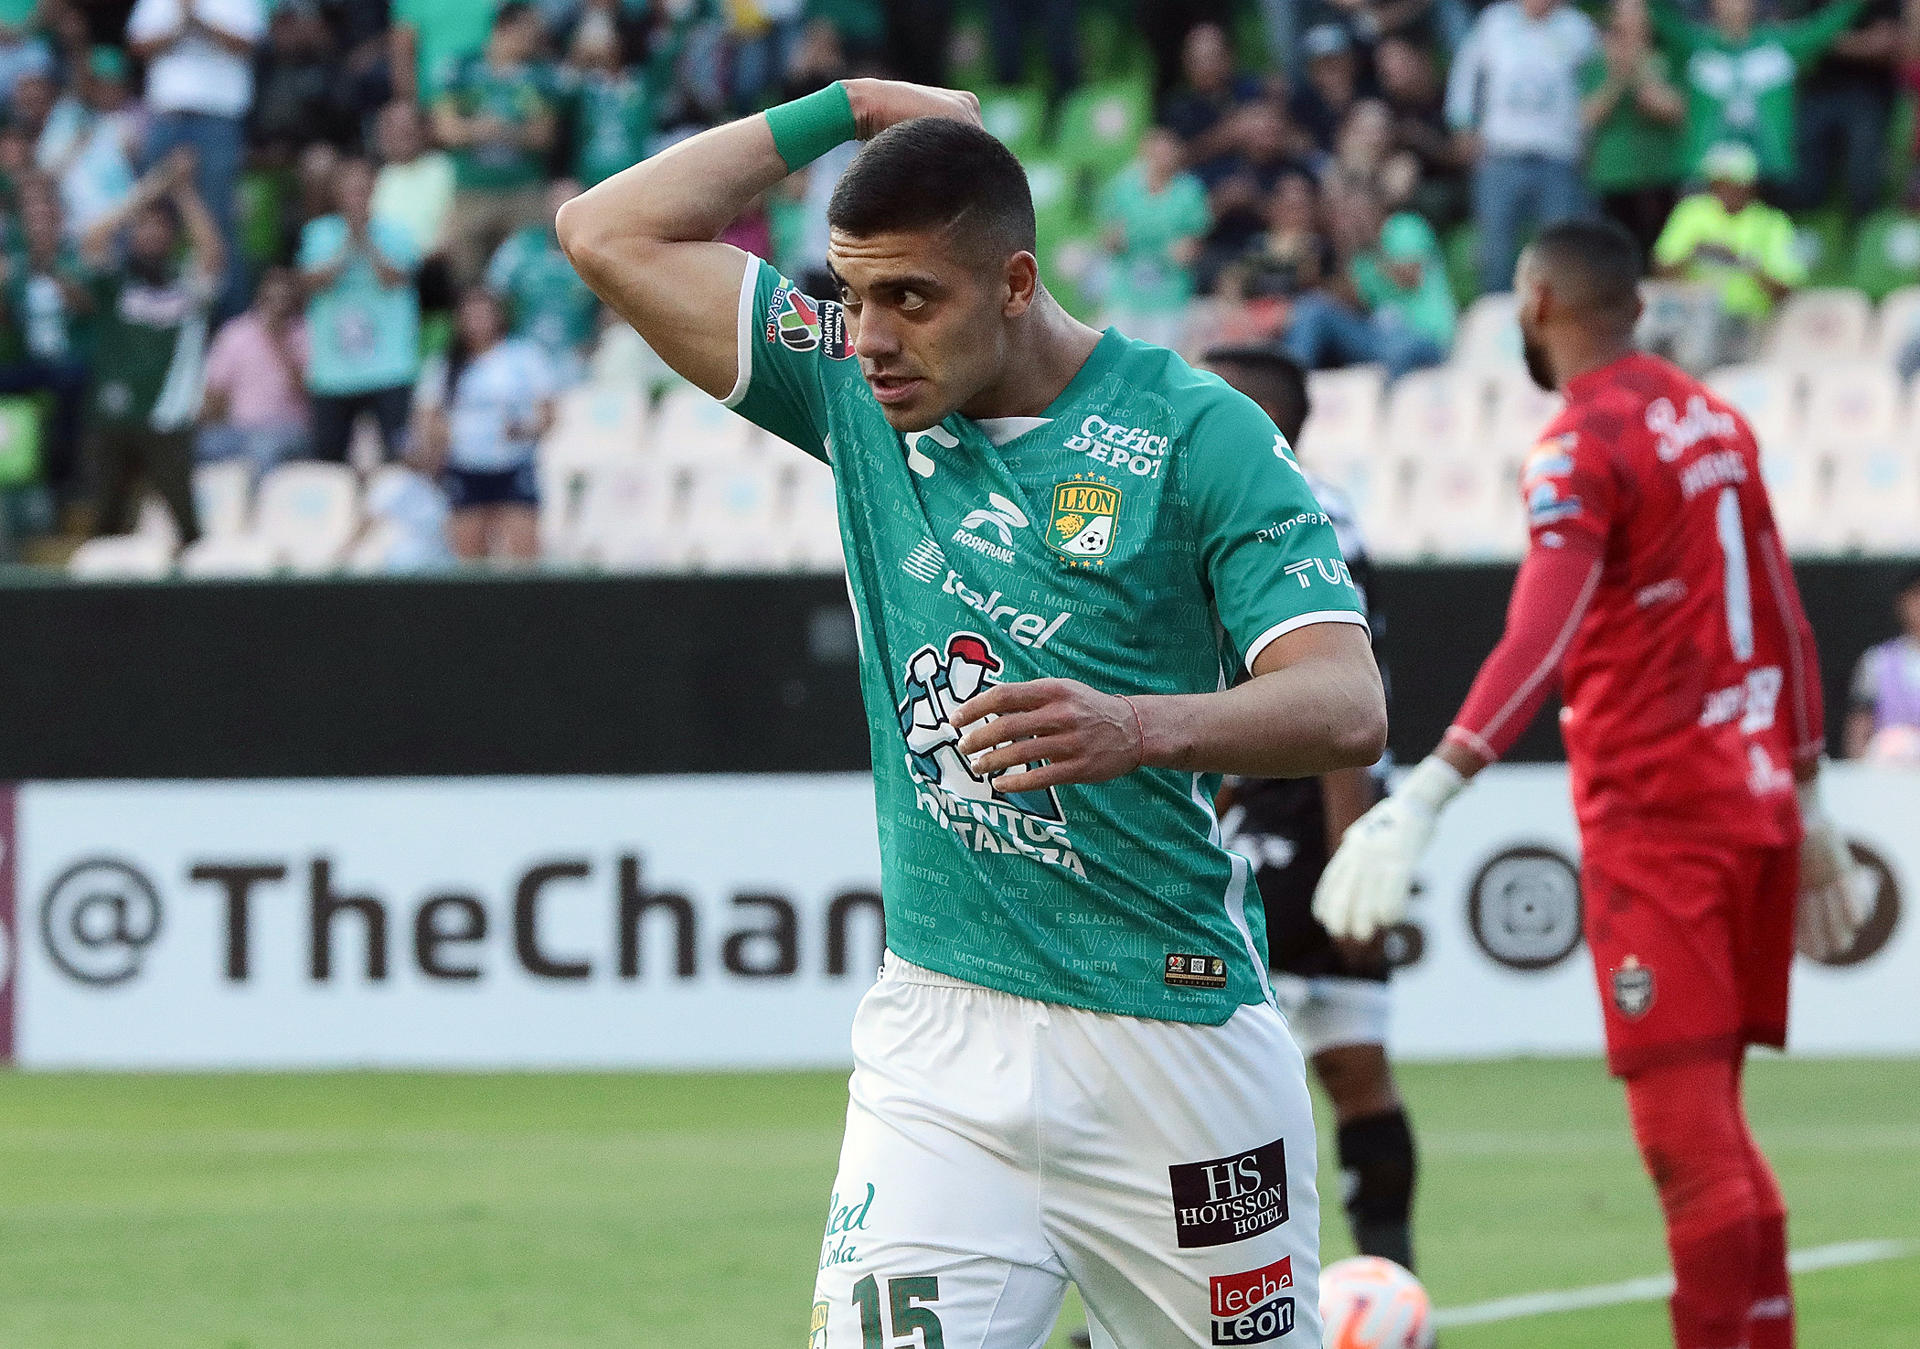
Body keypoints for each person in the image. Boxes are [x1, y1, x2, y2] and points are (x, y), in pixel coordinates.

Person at [559, 79, 1387, 1347]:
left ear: (1013, 282)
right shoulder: (852, 387)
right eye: (850, 295)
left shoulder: (1195, 432)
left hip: (1171, 1040)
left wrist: (1140, 726)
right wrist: (840, 107)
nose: (872, 336)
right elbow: (605, 232)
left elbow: (1347, 702)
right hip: (940, 1037)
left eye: (911, 299)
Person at [1313, 217, 1867, 1349]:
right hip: (1756, 800)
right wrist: (1809, 803)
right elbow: (1789, 621)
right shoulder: (1713, 419)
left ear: (1535, 303)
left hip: (1661, 819)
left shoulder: (1580, 441)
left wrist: (1428, 791)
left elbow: (1544, 625)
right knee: (1722, 1135)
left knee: (1686, 1147)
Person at [1206, 347, 1418, 1274]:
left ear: (1258, 417)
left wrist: (1346, 847)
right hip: (1268, 799)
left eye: (1210, 392)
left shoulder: (1304, 512)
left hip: (1303, 807)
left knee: (1198, 1059)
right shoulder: (1227, 501)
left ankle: (1163, 1302)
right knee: (1350, 1058)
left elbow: (1341, 693)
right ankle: (1396, 1279)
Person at [78, 148, 223, 543]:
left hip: (169, 416)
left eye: (160, 227)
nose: (151, 232)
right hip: (113, 416)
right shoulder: (116, 282)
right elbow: (93, 238)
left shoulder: (185, 283)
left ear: (172, 237)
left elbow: (212, 254)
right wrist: (154, 186)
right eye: (143, 226)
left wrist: (184, 192)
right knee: (106, 524)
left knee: (187, 526)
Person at [1445, 0, 1598, 292]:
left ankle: (1557, 326)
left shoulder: (1578, 28)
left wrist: (1588, 137)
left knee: (1560, 251)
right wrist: (1461, 123)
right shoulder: (1495, 22)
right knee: (1495, 250)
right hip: (1501, 153)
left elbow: (1594, 81)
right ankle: (1498, 325)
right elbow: (1466, 73)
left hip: (1558, 155)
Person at [125, 0, 266, 311]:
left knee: (217, 218)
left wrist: (198, 18)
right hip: (166, 117)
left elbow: (248, 44)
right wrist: (179, 24)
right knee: (151, 214)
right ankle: (145, 311)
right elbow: (137, 46)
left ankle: (228, 325)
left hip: (218, 120)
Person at [1653, 0, 1869, 195]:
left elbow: (1826, 26)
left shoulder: (1779, 47)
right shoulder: (1693, 46)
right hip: (1705, 176)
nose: (1734, 5)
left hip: (1768, 174)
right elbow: (1660, 17)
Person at [414, 287, 553, 562]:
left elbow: (548, 413)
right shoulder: (446, 365)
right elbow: (428, 416)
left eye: (484, 315)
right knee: (470, 560)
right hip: (466, 465)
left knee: (525, 555)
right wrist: (446, 438)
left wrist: (523, 429)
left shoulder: (524, 356)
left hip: (513, 462)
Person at [298, 156, 422, 464]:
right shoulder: (318, 233)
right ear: (337, 192)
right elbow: (315, 283)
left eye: (362, 189)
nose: (356, 196)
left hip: (390, 368)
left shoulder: (397, 232)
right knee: (329, 463)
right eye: (349, 189)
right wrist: (346, 243)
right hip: (333, 374)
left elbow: (395, 279)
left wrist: (364, 238)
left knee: (398, 460)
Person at [432, 0, 558, 283]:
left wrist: (503, 130)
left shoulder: (540, 75)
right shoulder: (462, 68)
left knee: (527, 273)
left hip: (524, 192)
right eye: (528, 31)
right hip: (472, 191)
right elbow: (446, 130)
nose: (535, 39)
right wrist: (482, 129)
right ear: (506, 28)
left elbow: (544, 135)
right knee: (466, 277)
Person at [1651, 141, 1803, 367]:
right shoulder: (1692, 211)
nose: (1725, 189)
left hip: (1749, 321)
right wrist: (1696, 251)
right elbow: (1660, 270)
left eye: (1734, 182)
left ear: (1750, 185)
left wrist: (1743, 261)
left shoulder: (1773, 223)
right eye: (1719, 182)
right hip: (1691, 318)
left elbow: (1786, 290)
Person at [1282, 200, 1452, 379]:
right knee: (1311, 307)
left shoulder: (1403, 226)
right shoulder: (1357, 254)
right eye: (1341, 214)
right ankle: (1289, 385)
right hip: (1378, 337)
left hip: (1423, 337)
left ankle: (1385, 403)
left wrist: (1371, 245)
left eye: (1354, 212)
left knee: (1398, 352)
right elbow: (1354, 303)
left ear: (1372, 207)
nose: (1349, 221)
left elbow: (1409, 277)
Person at [0, 180, 91, 506]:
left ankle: (62, 481)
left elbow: (86, 305)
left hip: (67, 361)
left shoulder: (74, 260)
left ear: (57, 223)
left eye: (44, 221)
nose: (38, 228)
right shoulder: (16, 267)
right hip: (27, 361)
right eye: (32, 222)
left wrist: (51, 270)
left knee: (71, 380)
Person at [1582, 0, 1685, 260]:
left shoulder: (1667, 57)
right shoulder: (1598, 64)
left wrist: (1638, 70)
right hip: (1614, 174)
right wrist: (1618, 77)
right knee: (1615, 255)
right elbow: (1590, 116)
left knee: (1661, 253)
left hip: (1660, 173)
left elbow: (1672, 111)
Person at [1093, 126, 1210, 350]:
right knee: (1114, 352)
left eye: (1168, 150)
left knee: (1162, 354)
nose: (1161, 157)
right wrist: (1114, 241)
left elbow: (1192, 247)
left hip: (1169, 294)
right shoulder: (1122, 187)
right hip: (1125, 291)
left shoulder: (1189, 193)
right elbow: (1109, 239)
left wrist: (1181, 251)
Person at [197, 264, 310, 474]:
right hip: (238, 430)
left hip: (290, 431)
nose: (276, 306)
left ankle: (257, 507)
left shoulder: (306, 333)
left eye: (283, 300)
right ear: (260, 297)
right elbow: (215, 393)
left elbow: (307, 390)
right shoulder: (235, 333)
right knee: (185, 448)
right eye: (271, 298)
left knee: (263, 448)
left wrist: (278, 340)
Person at [484, 177, 598, 381]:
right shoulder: (521, 246)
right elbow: (491, 295)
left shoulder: (597, 253)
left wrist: (595, 343)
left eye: (572, 202)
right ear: (546, 206)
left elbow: (615, 307)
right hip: (522, 352)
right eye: (557, 202)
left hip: (578, 355)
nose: (563, 210)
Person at [1845, 571, 1920, 762]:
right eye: (1917, 596)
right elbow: (1859, 726)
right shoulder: (1876, 662)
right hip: (1888, 777)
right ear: (1902, 603)